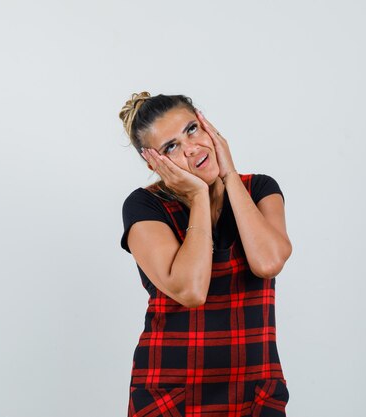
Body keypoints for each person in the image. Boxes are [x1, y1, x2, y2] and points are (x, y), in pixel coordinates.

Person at [118, 92, 292, 417]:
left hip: (255, 394)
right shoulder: (144, 206)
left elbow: (268, 262)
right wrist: (198, 195)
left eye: (192, 129)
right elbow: (191, 289)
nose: (191, 148)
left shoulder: (260, 189)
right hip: (170, 397)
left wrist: (229, 176)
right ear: (154, 162)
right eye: (171, 147)